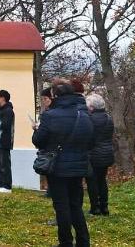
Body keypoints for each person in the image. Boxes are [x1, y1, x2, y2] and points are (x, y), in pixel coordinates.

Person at [32, 79, 94, 247]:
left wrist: (38, 130)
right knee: (75, 205)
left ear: (56, 95)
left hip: (58, 167)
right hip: (79, 166)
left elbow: (38, 140)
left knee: (62, 207)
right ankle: (83, 241)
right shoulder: (84, 114)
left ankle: (65, 242)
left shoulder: (50, 116)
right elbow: (91, 140)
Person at [85, 93, 114, 216]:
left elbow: (89, 138)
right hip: (107, 153)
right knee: (102, 180)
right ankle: (105, 207)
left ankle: (95, 208)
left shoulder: (89, 119)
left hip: (94, 154)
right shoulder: (109, 118)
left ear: (91, 107)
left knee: (92, 181)